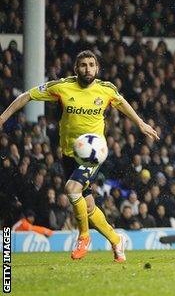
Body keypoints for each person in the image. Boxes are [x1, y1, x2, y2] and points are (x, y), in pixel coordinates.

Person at [0, 50, 159, 261]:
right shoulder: (62, 87)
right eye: (83, 65)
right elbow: (27, 95)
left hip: (94, 152)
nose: (87, 69)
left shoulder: (106, 89)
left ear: (97, 68)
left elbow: (122, 103)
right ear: (76, 68)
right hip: (69, 153)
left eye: (91, 64)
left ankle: (84, 237)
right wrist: (2, 117)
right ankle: (115, 239)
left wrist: (140, 123)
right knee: (88, 205)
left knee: (71, 189)